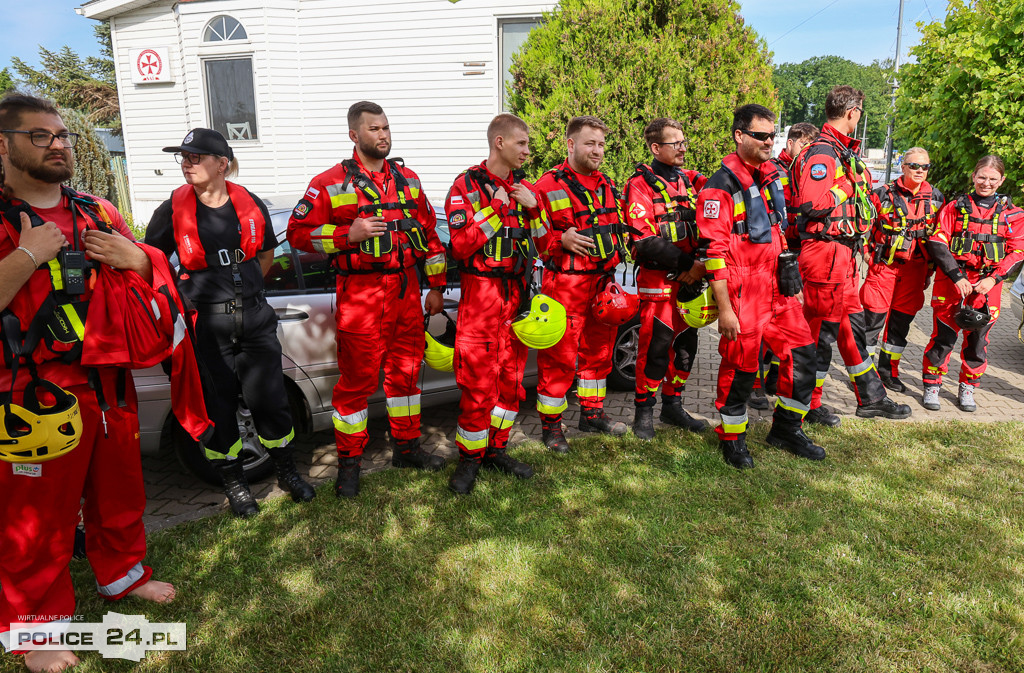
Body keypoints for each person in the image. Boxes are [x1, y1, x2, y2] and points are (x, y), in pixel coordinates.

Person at [0, 94, 174, 673]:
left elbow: (151, 272)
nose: (58, 144)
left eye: (63, 136)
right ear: (4, 145)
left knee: (119, 492)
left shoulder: (97, 208)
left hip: (108, 381)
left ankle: (124, 577)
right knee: (36, 518)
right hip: (33, 391)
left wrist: (138, 258)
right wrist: (28, 253)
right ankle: (34, 632)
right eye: (40, 136)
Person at [145, 128, 315, 518]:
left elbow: (267, 254)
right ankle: (235, 485)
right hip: (207, 326)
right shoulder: (172, 208)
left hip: (255, 319)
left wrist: (247, 294)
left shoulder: (248, 201)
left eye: (195, 156)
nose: (186, 163)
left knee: (271, 401)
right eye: (182, 157)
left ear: (222, 164)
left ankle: (288, 473)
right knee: (218, 408)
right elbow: (150, 261)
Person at [287, 101, 448, 497]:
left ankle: (407, 450)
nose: (383, 135)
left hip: (408, 294)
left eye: (387, 128)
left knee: (407, 378)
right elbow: (297, 233)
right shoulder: (328, 183)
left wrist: (437, 287)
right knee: (355, 387)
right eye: (374, 129)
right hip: (361, 297)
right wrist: (348, 235)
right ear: (354, 136)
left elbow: (429, 236)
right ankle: (349, 467)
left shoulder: (408, 178)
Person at [696, 103, 826, 469]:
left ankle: (786, 428)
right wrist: (724, 308)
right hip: (743, 292)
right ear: (739, 136)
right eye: (761, 135)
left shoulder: (771, 176)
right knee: (740, 370)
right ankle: (732, 439)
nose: (770, 141)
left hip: (777, 289)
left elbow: (778, 232)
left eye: (773, 135)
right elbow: (714, 253)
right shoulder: (719, 186)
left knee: (803, 357)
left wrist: (791, 277)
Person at [791, 85, 911, 426]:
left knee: (851, 325)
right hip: (823, 253)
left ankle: (871, 397)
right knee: (819, 334)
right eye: (859, 113)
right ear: (852, 114)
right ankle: (804, 408)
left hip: (841, 255)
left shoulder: (840, 152)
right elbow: (812, 205)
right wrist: (845, 186)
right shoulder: (825, 154)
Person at [443, 114, 548, 494]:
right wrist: (495, 209)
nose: (527, 151)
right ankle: (469, 461)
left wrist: (534, 209)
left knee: (511, 382)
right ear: (499, 142)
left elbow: (546, 246)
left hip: (516, 298)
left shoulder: (527, 188)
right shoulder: (466, 186)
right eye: (521, 143)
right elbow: (459, 245)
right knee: (477, 385)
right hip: (482, 296)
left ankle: (496, 451)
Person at [533, 116, 628, 453]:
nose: (597, 151)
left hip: (603, 286)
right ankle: (551, 427)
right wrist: (560, 239)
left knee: (599, 354)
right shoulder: (545, 187)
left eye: (601, 144)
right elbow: (529, 239)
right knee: (558, 359)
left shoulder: (607, 185)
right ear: (571, 145)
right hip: (565, 287)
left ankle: (592, 414)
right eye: (590, 143)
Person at [623, 118, 708, 439]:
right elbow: (644, 241)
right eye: (676, 144)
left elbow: (718, 202)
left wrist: (699, 265)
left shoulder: (691, 180)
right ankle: (643, 412)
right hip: (659, 283)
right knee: (656, 350)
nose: (683, 148)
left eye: (684, 142)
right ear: (656, 148)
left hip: (691, 282)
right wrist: (690, 263)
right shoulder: (639, 186)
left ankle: (673, 405)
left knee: (687, 348)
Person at [921, 155, 1024, 411]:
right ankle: (932, 385)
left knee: (978, 343)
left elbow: (1017, 251)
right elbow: (938, 241)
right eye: (982, 177)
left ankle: (968, 387)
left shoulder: (1014, 215)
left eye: (992, 179)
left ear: (1002, 180)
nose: (986, 183)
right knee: (942, 339)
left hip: (987, 288)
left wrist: (993, 278)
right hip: (952, 284)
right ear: (973, 176)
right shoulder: (955, 207)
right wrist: (956, 276)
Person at [860, 147, 944, 393]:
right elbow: (864, 225)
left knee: (900, 325)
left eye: (925, 167)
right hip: (883, 267)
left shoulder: (936, 198)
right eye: (915, 166)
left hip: (915, 270)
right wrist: (866, 254)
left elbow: (938, 239)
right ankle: (864, 375)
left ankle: (888, 372)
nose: (920, 171)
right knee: (872, 322)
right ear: (903, 166)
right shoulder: (882, 194)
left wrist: (929, 272)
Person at [750, 121, 819, 409]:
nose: (806, 152)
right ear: (790, 143)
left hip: (797, 254)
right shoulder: (774, 171)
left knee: (790, 326)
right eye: (802, 145)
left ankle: (777, 378)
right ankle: (754, 384)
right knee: (761, 326)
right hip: (772, 256)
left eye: (810, 148)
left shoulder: (803, 172)